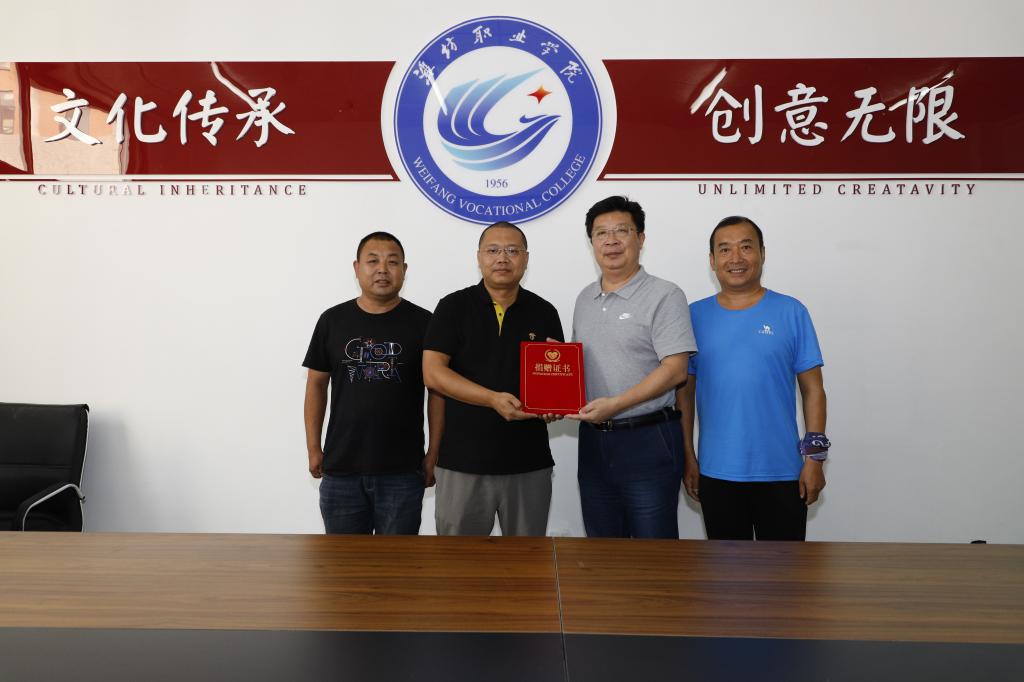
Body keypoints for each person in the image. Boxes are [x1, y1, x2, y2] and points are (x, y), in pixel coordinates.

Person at [679, 216, 829, 541]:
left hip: (783, 472)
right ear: (712, 260)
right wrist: (688, 456)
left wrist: (815, 458)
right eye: (725, 250)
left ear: (762, 253)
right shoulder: (692, 316)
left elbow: (814, 390)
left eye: (746, 247)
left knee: (786, 570)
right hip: (716, 472)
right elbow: (684, 395)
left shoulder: (792, 312)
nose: (736, 258)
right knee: (726, 572)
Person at [423, 221, 564, 536]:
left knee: (527, 561)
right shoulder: (453, 307)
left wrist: (555, 404)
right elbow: (433, 373)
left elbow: (554, 380)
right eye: (493, 250)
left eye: (512, 250)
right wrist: (491, 399)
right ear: (479, 257)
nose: (502, 258)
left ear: (526, 258)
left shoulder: (544, 312)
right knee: (459, 562)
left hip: (528, 464)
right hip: (462, 463)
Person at [569, 196, 697, 538]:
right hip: (594, 441)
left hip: (648, 439)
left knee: (652, 551)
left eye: (621, 231)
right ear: (592, 242)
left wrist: (616, 404)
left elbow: (676, 370)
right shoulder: (584, 299)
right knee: (602, 546)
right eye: (601, 233)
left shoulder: (665, 295)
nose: (611, 241)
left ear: (640, 238)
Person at [303, 231, 443, 534]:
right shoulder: (332, 320)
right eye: (373, 261)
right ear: (356, 268)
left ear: (404, 270)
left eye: (392, 262)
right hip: (341, 469)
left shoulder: (425, 323)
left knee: (397, 561)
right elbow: (315, 385)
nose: (382, 269)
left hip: (402, 472)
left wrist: (433, 453)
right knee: (343, 561)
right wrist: (313, 447)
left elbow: (437, 392)